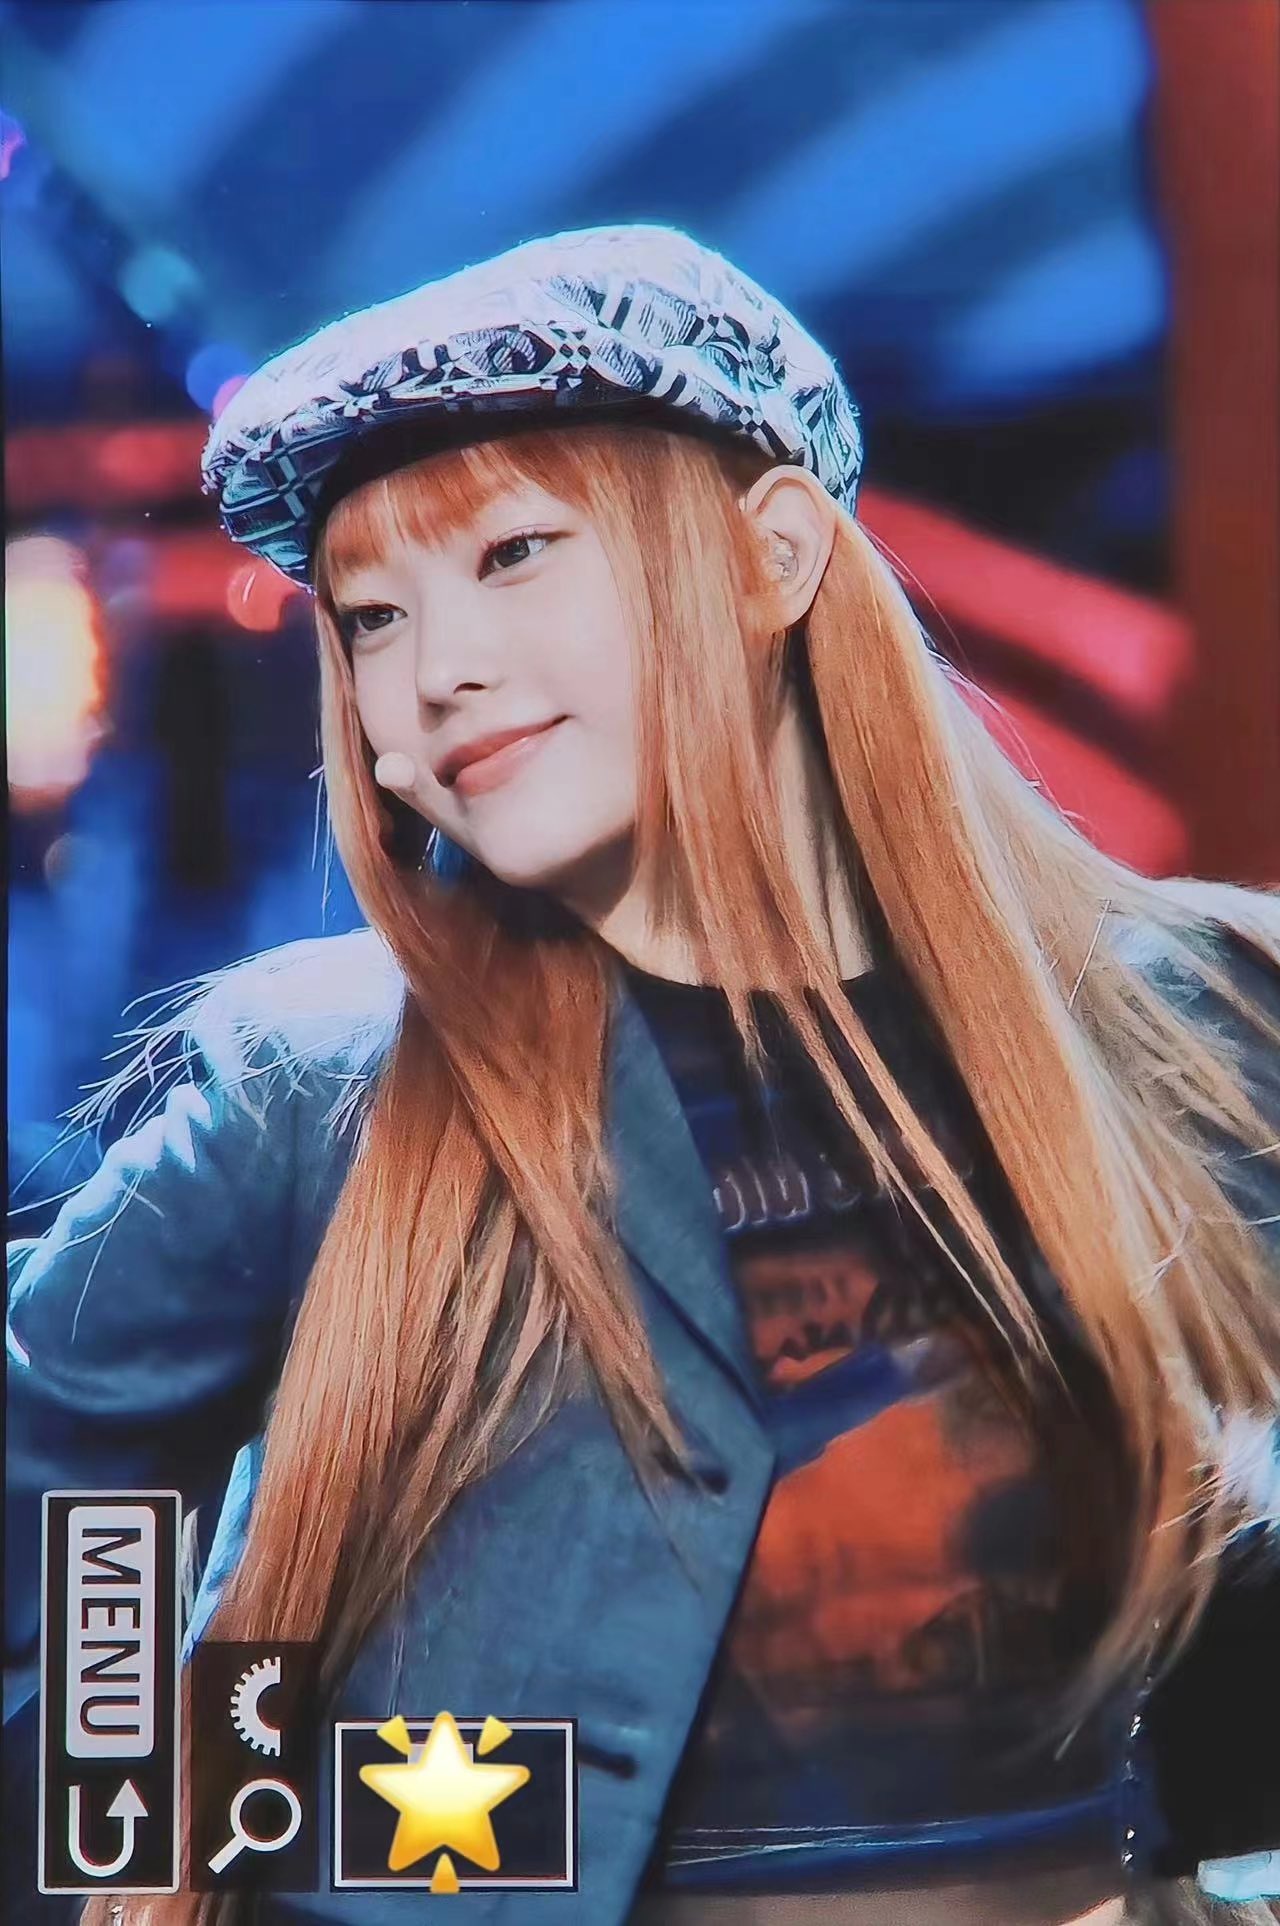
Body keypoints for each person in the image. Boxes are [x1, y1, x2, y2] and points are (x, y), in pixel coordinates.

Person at [7, 225, 1280, 1926]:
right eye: (373, 615)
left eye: (515, 552)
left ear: (772, 555)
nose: (434, 668)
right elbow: (59, 1501)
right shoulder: (318, 1083)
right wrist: (218, 1830)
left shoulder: (1198, 1019)